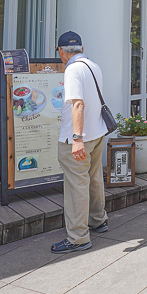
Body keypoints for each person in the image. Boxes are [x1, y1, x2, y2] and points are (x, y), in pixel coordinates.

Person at [51, 31, 110, 253]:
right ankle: (98, 219)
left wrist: (76, 139)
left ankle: (78, 237)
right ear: (82, 49)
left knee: (76, 185)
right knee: (94, 178)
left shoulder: (72, 69)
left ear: (61, 52)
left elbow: (78, 104)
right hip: (97, 133)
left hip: (77, 137)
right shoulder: (93, 66)